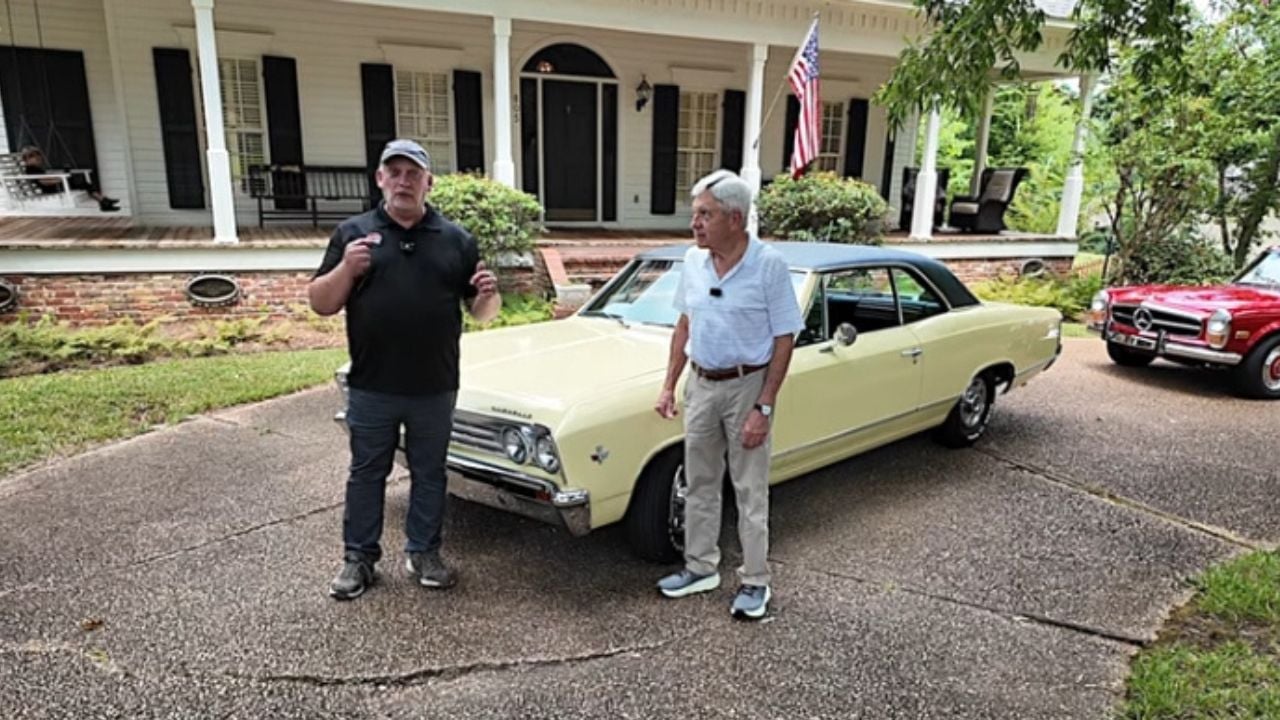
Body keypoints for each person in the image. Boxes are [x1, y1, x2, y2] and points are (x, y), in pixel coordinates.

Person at [310, 138, 500, 601]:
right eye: (393, 172)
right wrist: (347, 270)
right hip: (373, 384)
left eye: (413, 173)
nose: (403, 181)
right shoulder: (353, 234)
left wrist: (488, 294)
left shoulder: (456, 240)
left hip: (435, 386)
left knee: (430, 474)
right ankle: (359, 559)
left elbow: (482, 314)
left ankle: (424, 553)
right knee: (367, 473)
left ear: (428, 182)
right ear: (380, 179)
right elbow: (321, 303)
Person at [653, 169, 803, 620]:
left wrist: (764, 405)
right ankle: (701, 568)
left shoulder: (768, 265)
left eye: (705, 214)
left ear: (735, 219)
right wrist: (669, 384)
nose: (694, 223)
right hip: (701, 384)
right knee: (699, 482)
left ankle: (755, 581)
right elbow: (684, 326)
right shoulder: (693, 261)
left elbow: (785, 337)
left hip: (747, 386)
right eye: (695, 213)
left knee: (749, 489)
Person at [20, 146, 119, 212]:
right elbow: (43, 182)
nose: (39, 159)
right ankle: (104, 202)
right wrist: (59, 180)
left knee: (83, 184)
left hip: (55, 186)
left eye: (39, 157)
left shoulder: (35, 168)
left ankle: (104, 202)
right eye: (35, 158)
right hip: (53, 189)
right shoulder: (31, 170)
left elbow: (45, 178)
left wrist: (58, 178)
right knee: (83, 184)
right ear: (27, 160)